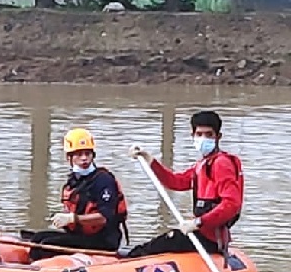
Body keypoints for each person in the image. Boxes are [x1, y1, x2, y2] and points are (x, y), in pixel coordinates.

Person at [126, 110, 243, 257]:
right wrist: (149, 159)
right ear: (192, 136)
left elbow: (232, 204)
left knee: (157, 245)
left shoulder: (221, 164)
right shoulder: (202, 165)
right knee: (157, 244)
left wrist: (198, 222)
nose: (203, 139)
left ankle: (128, 261)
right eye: (199, 134)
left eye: (208, 134)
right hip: (201, 233)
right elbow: (176, 182)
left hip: (210, 239)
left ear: (218, 137)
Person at [29, 128, 129, 261]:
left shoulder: (103, 180)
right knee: (37, 238)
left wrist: (73, 219)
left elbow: (105, 217)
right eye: (79, 154)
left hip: (103, 241)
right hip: (82, 236)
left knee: (46, 245)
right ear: (69, 158)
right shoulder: (75, 180)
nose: (84, 158)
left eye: (87, 154)